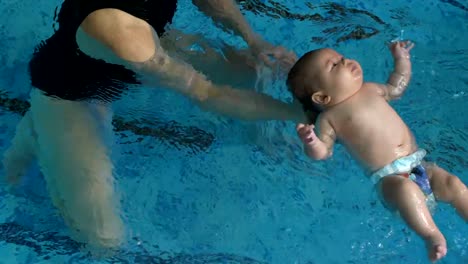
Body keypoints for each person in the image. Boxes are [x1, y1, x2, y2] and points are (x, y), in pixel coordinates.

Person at [2, 0, 304, 251]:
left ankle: (257, 139)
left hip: (138, 50)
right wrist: (297, 114)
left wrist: (253, 40)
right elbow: (208, 94)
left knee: (249, 71)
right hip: (70, 96)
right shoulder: (120, 31)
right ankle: (39, 129)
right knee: (105, 241)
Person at [287, 41, 468, 262]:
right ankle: (431, 235)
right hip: (390, 179)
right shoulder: (329, 119)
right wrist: (311, 141)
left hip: (420, 166)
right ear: (323, 97)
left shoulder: (371, 89)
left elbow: (397, 87)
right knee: (406, 191)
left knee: (453, 184)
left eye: (341, 56)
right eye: (334, 65)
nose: (344, 60)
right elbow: (323, 153)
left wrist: (402, 60)